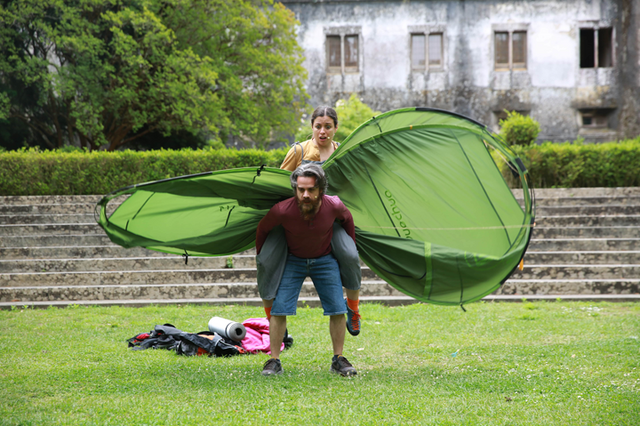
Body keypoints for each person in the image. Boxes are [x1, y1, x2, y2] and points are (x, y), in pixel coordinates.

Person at [257, 106, 362, 338]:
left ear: (336, 128)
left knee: (351, 255)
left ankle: (353, 309)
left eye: (328, 126)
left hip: (329, 221)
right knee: (265, 261)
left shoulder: (342, 153)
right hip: (294, 220)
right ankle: (272, 319)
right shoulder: (299, 150)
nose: (323, 131)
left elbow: (351, 187)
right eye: (318, 126)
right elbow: (280, 185)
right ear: (312, 127)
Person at [256, 164, 358, 376]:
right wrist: (264, 256)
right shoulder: (281, 210)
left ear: (320, 189)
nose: (305, 195)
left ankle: (338, 359)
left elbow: (347, 219)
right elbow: (263, 229)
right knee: (279, 310)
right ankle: (274, 360)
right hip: (293, 260)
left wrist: (349, 246)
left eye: (311, 189)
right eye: (301, 189)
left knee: (338, 309)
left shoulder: (333, 205)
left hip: (325, 259)